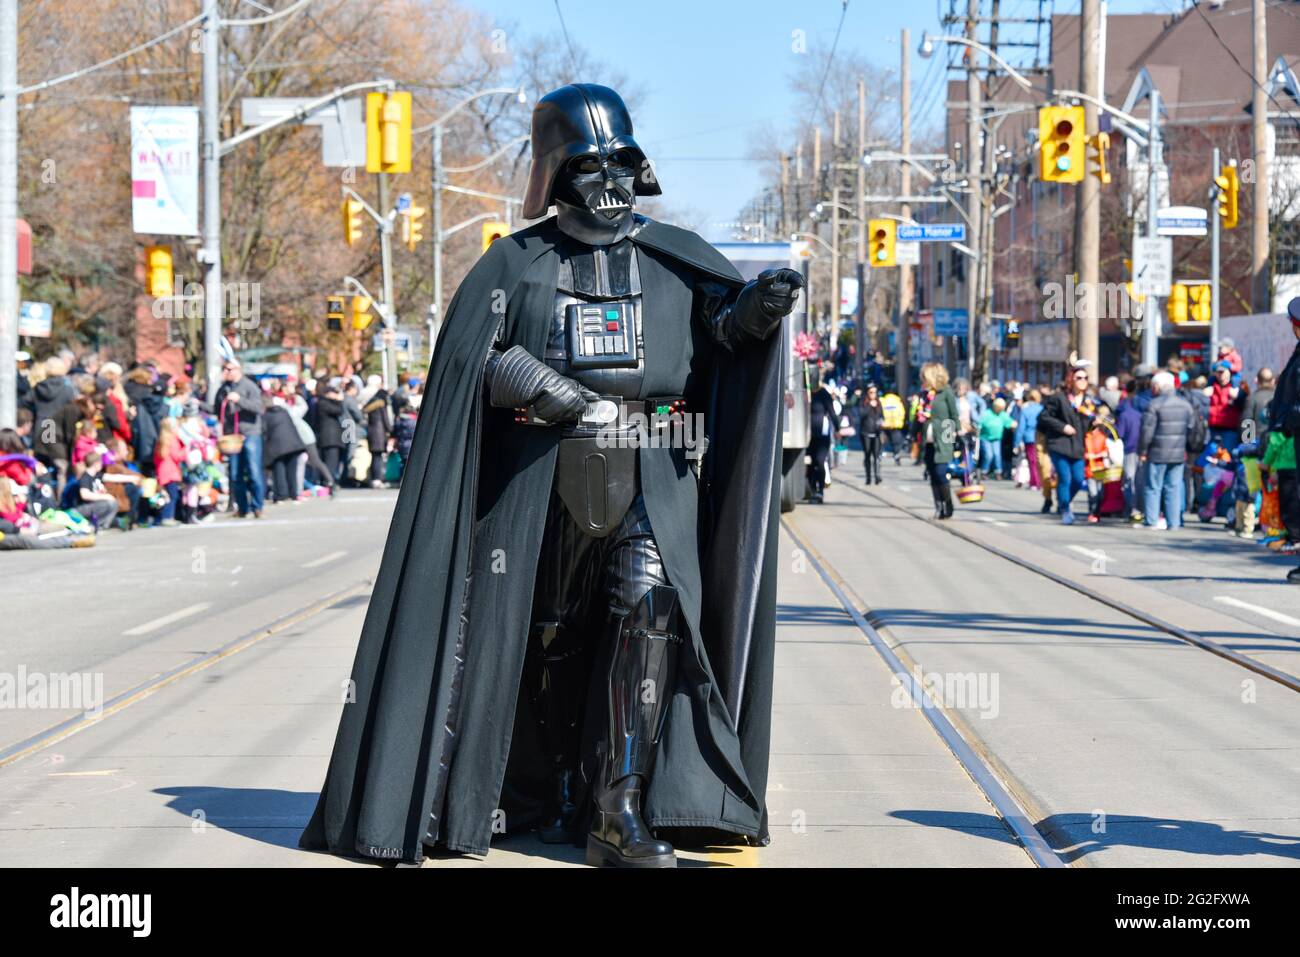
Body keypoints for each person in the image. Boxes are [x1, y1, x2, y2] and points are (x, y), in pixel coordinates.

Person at [301, 84, 803, 869]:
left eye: (622, 164)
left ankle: (621, 805)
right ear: (555, 173)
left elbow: (719, 335)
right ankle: (535, 789)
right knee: (545, 640)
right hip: (539, 485)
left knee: (650, 612)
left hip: (649, 474)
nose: (610, 182)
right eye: (591, 165)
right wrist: (538, 384)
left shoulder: (672, 257)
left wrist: (756, 312)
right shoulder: (516, 261)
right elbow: (469, 358)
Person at [1138, 370, 1194, 530]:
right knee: (1174, 487)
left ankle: (1151, 520)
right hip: (1178, 453)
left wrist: (1142, 450)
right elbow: (1192, 429)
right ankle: (1174, 522)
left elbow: (1146, 432)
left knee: (1153, 487)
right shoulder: (1185, 404)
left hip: (1157, 452)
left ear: (1157, 386)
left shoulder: (1154, 404)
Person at [1039, 364, 1094, 524]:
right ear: (1071, 380)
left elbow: (1087, 426)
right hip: (1059, 444)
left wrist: (1095, 423)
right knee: (1065, 478)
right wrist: (1063, 427)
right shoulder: (1059, 398)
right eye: (1079, 378)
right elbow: (1045, 417)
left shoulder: (1088, 401)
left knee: (1078, 478)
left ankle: (1065, 500)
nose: (1083, 381)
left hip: (1077, 446)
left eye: (1085, 378)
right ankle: (1065, 509)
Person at [214, 358, 265, 518]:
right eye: (225, 369)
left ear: (238, 370)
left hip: (250, 433)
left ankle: (258, 506)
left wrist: (240, 400)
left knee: (253, 471)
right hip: (232, 437)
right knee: (235, 474)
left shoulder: (249, 386)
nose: (226, 372)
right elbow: (217, 410)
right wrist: (197, 405)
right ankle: (243, 508)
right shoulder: (223, 389)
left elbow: (259, 408)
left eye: (229, 369)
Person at [919, 362, 958, 519]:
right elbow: (919, 415)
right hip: (928, 440)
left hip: (942, 439)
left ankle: (948, 504)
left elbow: (952, 416)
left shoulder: (946, 393)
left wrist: (950, 439)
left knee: (941, 473)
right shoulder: (925, 394)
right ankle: (938, 506)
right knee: (932, 474)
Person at [807, 368, 837, 503]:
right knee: (811, 463)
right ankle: (813, 489)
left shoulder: (823, 393)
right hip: (808, 435)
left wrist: (838, 427)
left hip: (822, 434)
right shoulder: (806, 394)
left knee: (819, 461)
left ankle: (820, 491)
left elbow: (831, 411)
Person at [72, 450, 118, 530]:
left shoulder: (96, 475)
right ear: (95, 463)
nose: (102, 464)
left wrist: (133, 478)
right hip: (82, 508)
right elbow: (85, 495)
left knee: (114, 503)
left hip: (94, 506)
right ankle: (92, 525)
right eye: (100, 462)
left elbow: (114, 477)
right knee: (109, 503)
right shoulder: (85, 477)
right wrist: (105, 496)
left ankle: (103, 525)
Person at [977, 397, 1014, 480]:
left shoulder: (1002, 414)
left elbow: (1010, 423)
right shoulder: (986, 413)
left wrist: (1014, 424)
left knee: (997, 455)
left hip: (996, 439)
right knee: (988, 455)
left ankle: (998, 472)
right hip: (985, 438)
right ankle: (984, 472)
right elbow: (979, 423)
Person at [858, 383, 885, 485]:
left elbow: (882, 416)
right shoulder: (863, 402)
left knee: (877, 455)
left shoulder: (879, 403)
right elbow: (861, 414)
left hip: (877, 432)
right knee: (868, 455)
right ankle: (868, 477)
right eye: (871, 392)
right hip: (866, 433)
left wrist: (882, 423)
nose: (873, 394)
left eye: (875, 392)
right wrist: (869, 405)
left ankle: (877, 476)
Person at [1241, 367, 1274, 445]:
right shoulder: (1279, 398)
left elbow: (1247, 421)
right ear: (1273, 381)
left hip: (1257, 442)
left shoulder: (1252, 399)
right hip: (1275, 443)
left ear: (1257, 381)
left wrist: (1248, 445)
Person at [880, 387, 906, 463]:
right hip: (895, 425)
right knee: (896, 441)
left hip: (885, 424)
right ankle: (896, 454)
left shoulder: (883, 400)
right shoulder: (898, 401)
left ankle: (880, 454)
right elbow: (902, 412)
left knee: (882, 440)